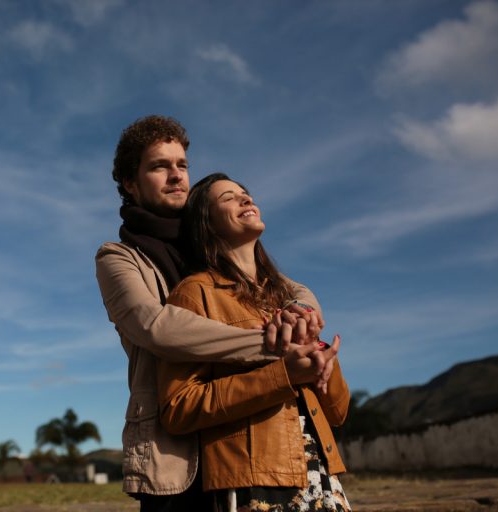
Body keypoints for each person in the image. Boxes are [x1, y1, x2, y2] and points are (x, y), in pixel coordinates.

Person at [96, 116, 329, 511]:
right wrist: (271, 344)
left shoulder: (211, 242)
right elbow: (156, 327)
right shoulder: (118, 257)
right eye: (159, 166)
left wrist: (299, 311)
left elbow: (288, 286)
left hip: (241, 431)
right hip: (175, 443)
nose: (176, 176)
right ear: (130, 184)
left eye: (182, 165)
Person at [157, 173, 351, 511]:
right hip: (254, 481)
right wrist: (283, 376)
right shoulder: (195, 293)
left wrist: (321, 361)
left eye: (246, 194)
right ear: (208, 224)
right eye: (228, 198)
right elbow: (179, 409)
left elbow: (338, 412)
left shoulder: (291, 300)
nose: (246, 200)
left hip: (322, 476)